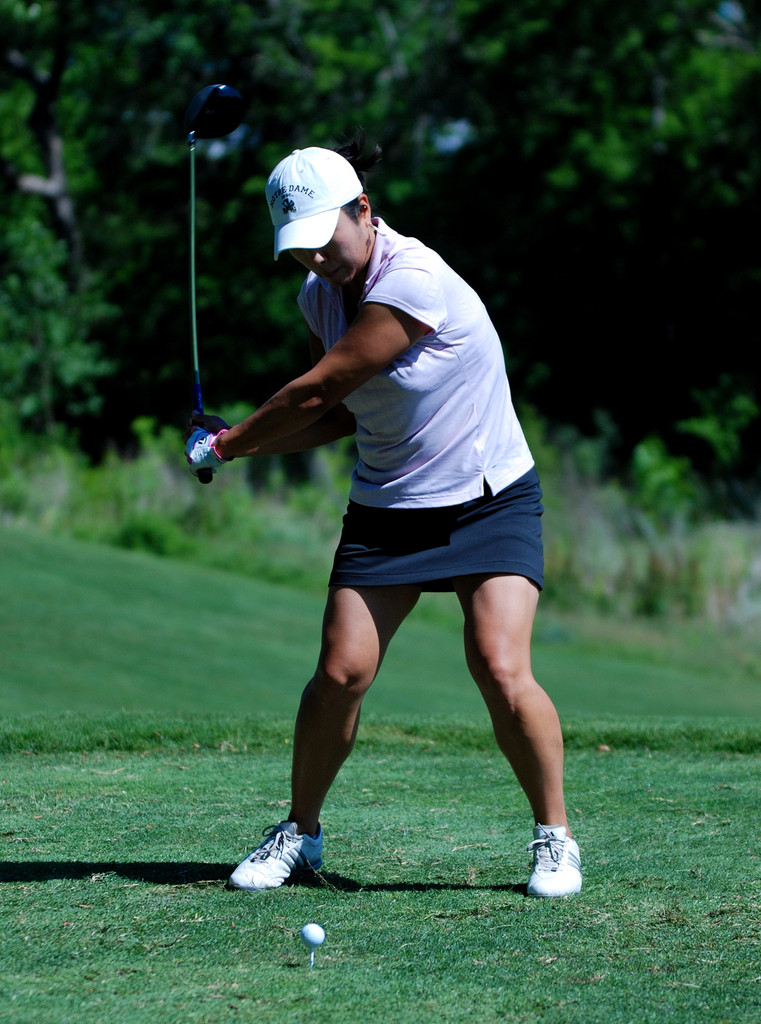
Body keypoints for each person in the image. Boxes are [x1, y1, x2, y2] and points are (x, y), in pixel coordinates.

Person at [185, 138, 582, 898]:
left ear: (362, 211)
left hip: (487, 497)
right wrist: (234, 447)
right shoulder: (319, 296)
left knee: (500, 668)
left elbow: (315, 389)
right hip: (389, 505)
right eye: (298, 249)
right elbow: (336, 412)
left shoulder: (414, 280)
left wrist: (230, 441)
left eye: (322, 240)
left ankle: (554, 837)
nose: (313, 260)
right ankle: (300, 832)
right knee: (340, 673)